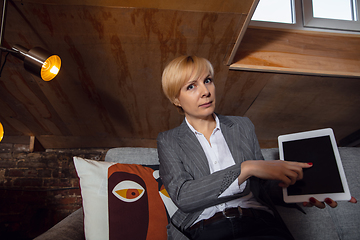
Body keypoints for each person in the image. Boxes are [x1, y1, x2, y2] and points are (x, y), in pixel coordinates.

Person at [157, 55, 356, 240]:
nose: (205, 91)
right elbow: (183, 196)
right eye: (191, 86)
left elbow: (261, 186)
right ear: (176, 99)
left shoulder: (242, 126)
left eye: (207, 80)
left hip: (259, 223)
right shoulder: (169, 140)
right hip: (205, 228)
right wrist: (246, 168)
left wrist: (299, 191)